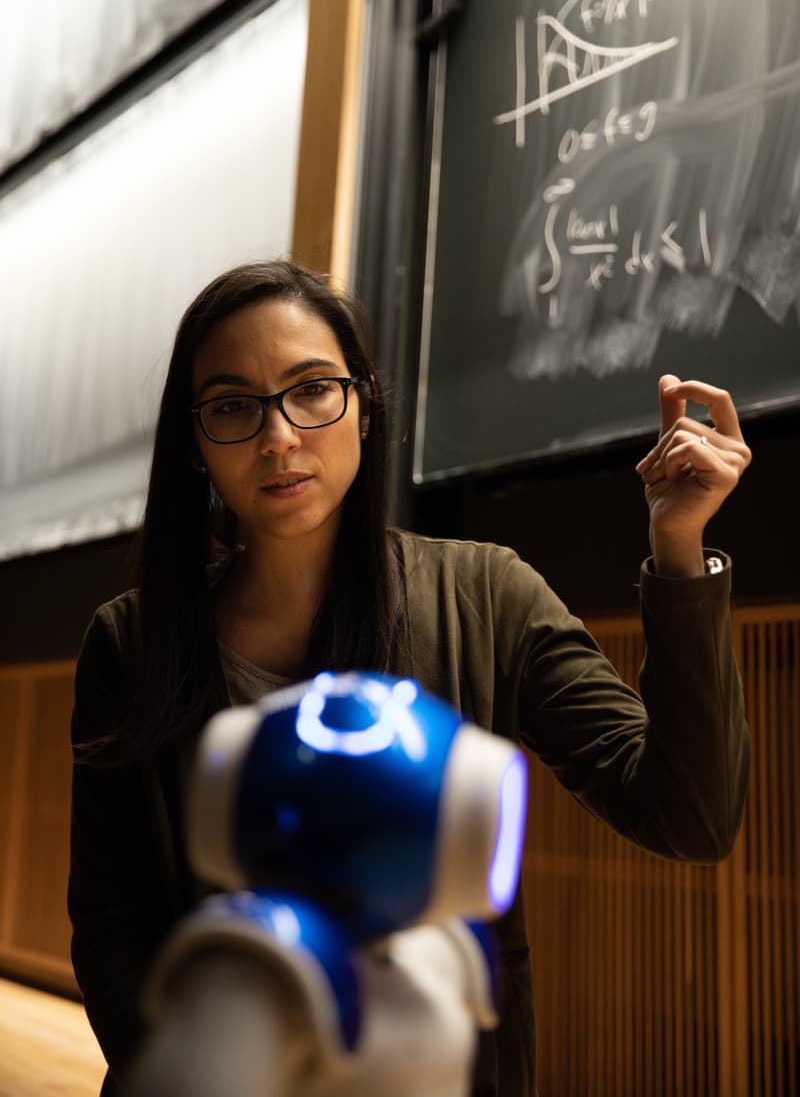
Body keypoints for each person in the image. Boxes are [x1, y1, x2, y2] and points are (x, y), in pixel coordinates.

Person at [68, 258, 751, 1097]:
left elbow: (689, 815)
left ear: (363, 402)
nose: (279, 436)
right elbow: (112, 924)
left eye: (311, 389)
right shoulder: (132, 643)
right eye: (234, 407)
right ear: (195, 443)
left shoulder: (486, 593)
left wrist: (679, 551)